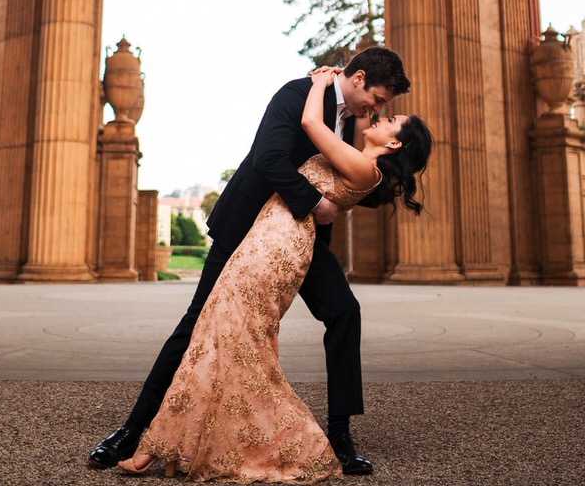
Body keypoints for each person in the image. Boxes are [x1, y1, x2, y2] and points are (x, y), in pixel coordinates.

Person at [88, 47, 416, 476]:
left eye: (383, 107)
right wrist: (316, 202)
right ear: (356, 80)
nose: (377, 108)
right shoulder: (296, 93)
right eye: (378, 98)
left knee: (344, 312)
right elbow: (269, 159)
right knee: (196, 323)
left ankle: (340, 434)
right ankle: (133, 430)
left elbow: (360, 176)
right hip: (247, 227)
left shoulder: (353, 121)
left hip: (303, 239)